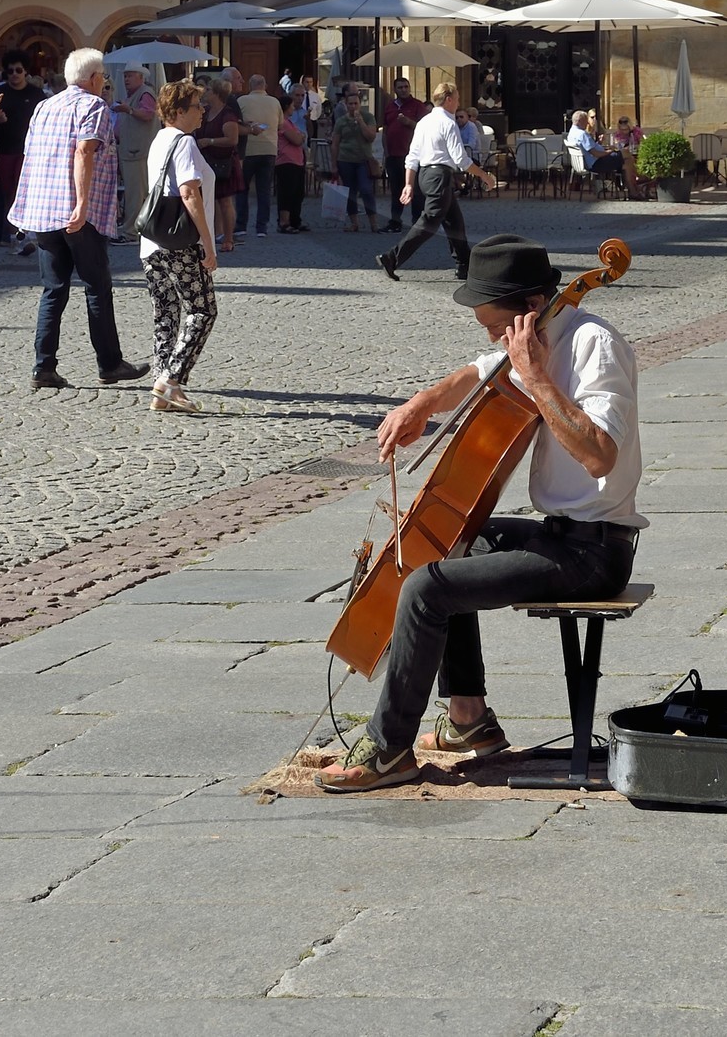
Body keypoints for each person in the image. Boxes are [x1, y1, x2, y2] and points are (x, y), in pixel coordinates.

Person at [316, 234, 643, 794]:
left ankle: (390, 749)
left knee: (426, 588)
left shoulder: (593, 345)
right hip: (562, 535)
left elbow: (599, 455)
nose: (492, 338)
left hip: (595, 552)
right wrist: (418, 405)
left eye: (496, 325)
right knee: (455, 538)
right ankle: (469, 720)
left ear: (531, 307)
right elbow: (477, 372)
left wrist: (535, 377)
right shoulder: (536, 335)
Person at [13, 47, 148, 393]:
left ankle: (44, 366)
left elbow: (31, 155)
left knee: (53, 289)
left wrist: (28, 204)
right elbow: (84, 151)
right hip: (76, 212)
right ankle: (110, 363)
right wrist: (83, 203)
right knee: (97, 287)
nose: (104, 81)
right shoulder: (93, 106)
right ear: (92, 78)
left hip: (45, 210)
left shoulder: (45, 105)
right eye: (102, 75)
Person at [141, 79, 219, 414]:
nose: (203, 111)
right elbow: (189, 194)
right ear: (178, 112)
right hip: (181, 242)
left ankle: (161, 385)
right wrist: (208, 242)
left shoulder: (159, 139)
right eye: (197, 106)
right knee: (203, 310)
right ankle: (170, 381)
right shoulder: (184, 142)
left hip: (151, 243)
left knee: (167, 313)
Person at [378, 81, 468, 279]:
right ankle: (391, 258)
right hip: (438, 176)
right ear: (449, 99)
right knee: (429, 222)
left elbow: (412, 156)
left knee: (455, 223)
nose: (459, 103)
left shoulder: (424, 121)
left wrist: (409, 183)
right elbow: (460, 158)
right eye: (458, 98)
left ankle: (465, 265)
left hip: (426, 175)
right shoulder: (447, 122)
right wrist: (484, 175)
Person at [0, 55, 43, 246]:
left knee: (27, 191)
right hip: (4, 149)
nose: (14, 74)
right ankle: (9, 233)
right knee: (7, 193)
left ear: (26, 72)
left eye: (18, 70)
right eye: (10, 71)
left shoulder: (37, 94)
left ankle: (25, 230)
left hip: (29, 150)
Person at [112, 68, 159, 242]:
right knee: (136, 193)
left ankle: (131, 232)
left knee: (134, 194)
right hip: (130, 150)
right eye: (125, 75)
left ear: (141, 77)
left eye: (130, 75)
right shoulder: (134, 94)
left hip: (137, 151)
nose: (126, 79)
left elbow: (148, 114)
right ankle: (136, 229)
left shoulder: (145, 93)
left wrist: (128, 110)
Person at [199, 76, 245, 253]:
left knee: (225, 202)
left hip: (224, 163)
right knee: (207, 201)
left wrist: (210, 141)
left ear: (217, 94)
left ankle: (228, 238)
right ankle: (209, 236)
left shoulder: (227, 115)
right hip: (207, 161)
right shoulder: (206, 111)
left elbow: (232, 139)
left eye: (209, 90)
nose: (206, 92)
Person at [331, 80, 381, 235]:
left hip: (362, 160)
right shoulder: (341, 121)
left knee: (366, 190)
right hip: (345, 160)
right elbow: (335, 143)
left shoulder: (367, 117)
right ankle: (354, 223)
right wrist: (333, 165)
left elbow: (371, 137)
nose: (353, 107)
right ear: (346, 104)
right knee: (350, 192)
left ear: (360, 103)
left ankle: (373, 223)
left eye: (355, 104)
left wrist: (360, 122)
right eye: (350, 104)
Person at [237, 72, 283, 237]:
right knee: (264, 190)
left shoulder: (241, 101)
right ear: (265, 86)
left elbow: (236, 123)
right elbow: (280, 124)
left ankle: (241, 225)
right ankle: (261, 227)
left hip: (248, 150)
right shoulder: (275, 102)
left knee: (242, 188)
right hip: (269, 150)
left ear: (250, 86)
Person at [381, 77, 428, 232]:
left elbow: (426, 130)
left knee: (416, 191)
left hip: (413, 156)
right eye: (400, 87)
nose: (404, 89)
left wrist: (409, 122)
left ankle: (417, 223)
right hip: (394, 155)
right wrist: (386, 152)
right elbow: (385, 131)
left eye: (406, 86)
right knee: (396, 191)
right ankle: (395, 222)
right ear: (395, 89)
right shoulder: (390, 107)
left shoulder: (418, 106)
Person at [566, 108, 636, 197]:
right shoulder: (582, 134)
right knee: (626, 154)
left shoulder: (571, 133)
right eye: (586, 121)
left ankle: (633, 190)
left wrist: (600, 144)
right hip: (596, 164)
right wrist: (610, 151)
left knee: (626, 163)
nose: (587, 123)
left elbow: (591, 149)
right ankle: (635, 187)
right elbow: (596, 154)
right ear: (580, 121)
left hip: (586, 164)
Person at [274, 88, 309, 232]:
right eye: (292, 106)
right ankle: (284, 222)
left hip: (297, 161)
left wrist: (301, 136)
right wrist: (300, 136)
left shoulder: (289, 122)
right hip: (286, 161)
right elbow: (296, 139)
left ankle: (295, 220)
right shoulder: (283, 123)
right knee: (287, 192)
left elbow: (301, 135)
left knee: (297, 192)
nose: (294, 107)